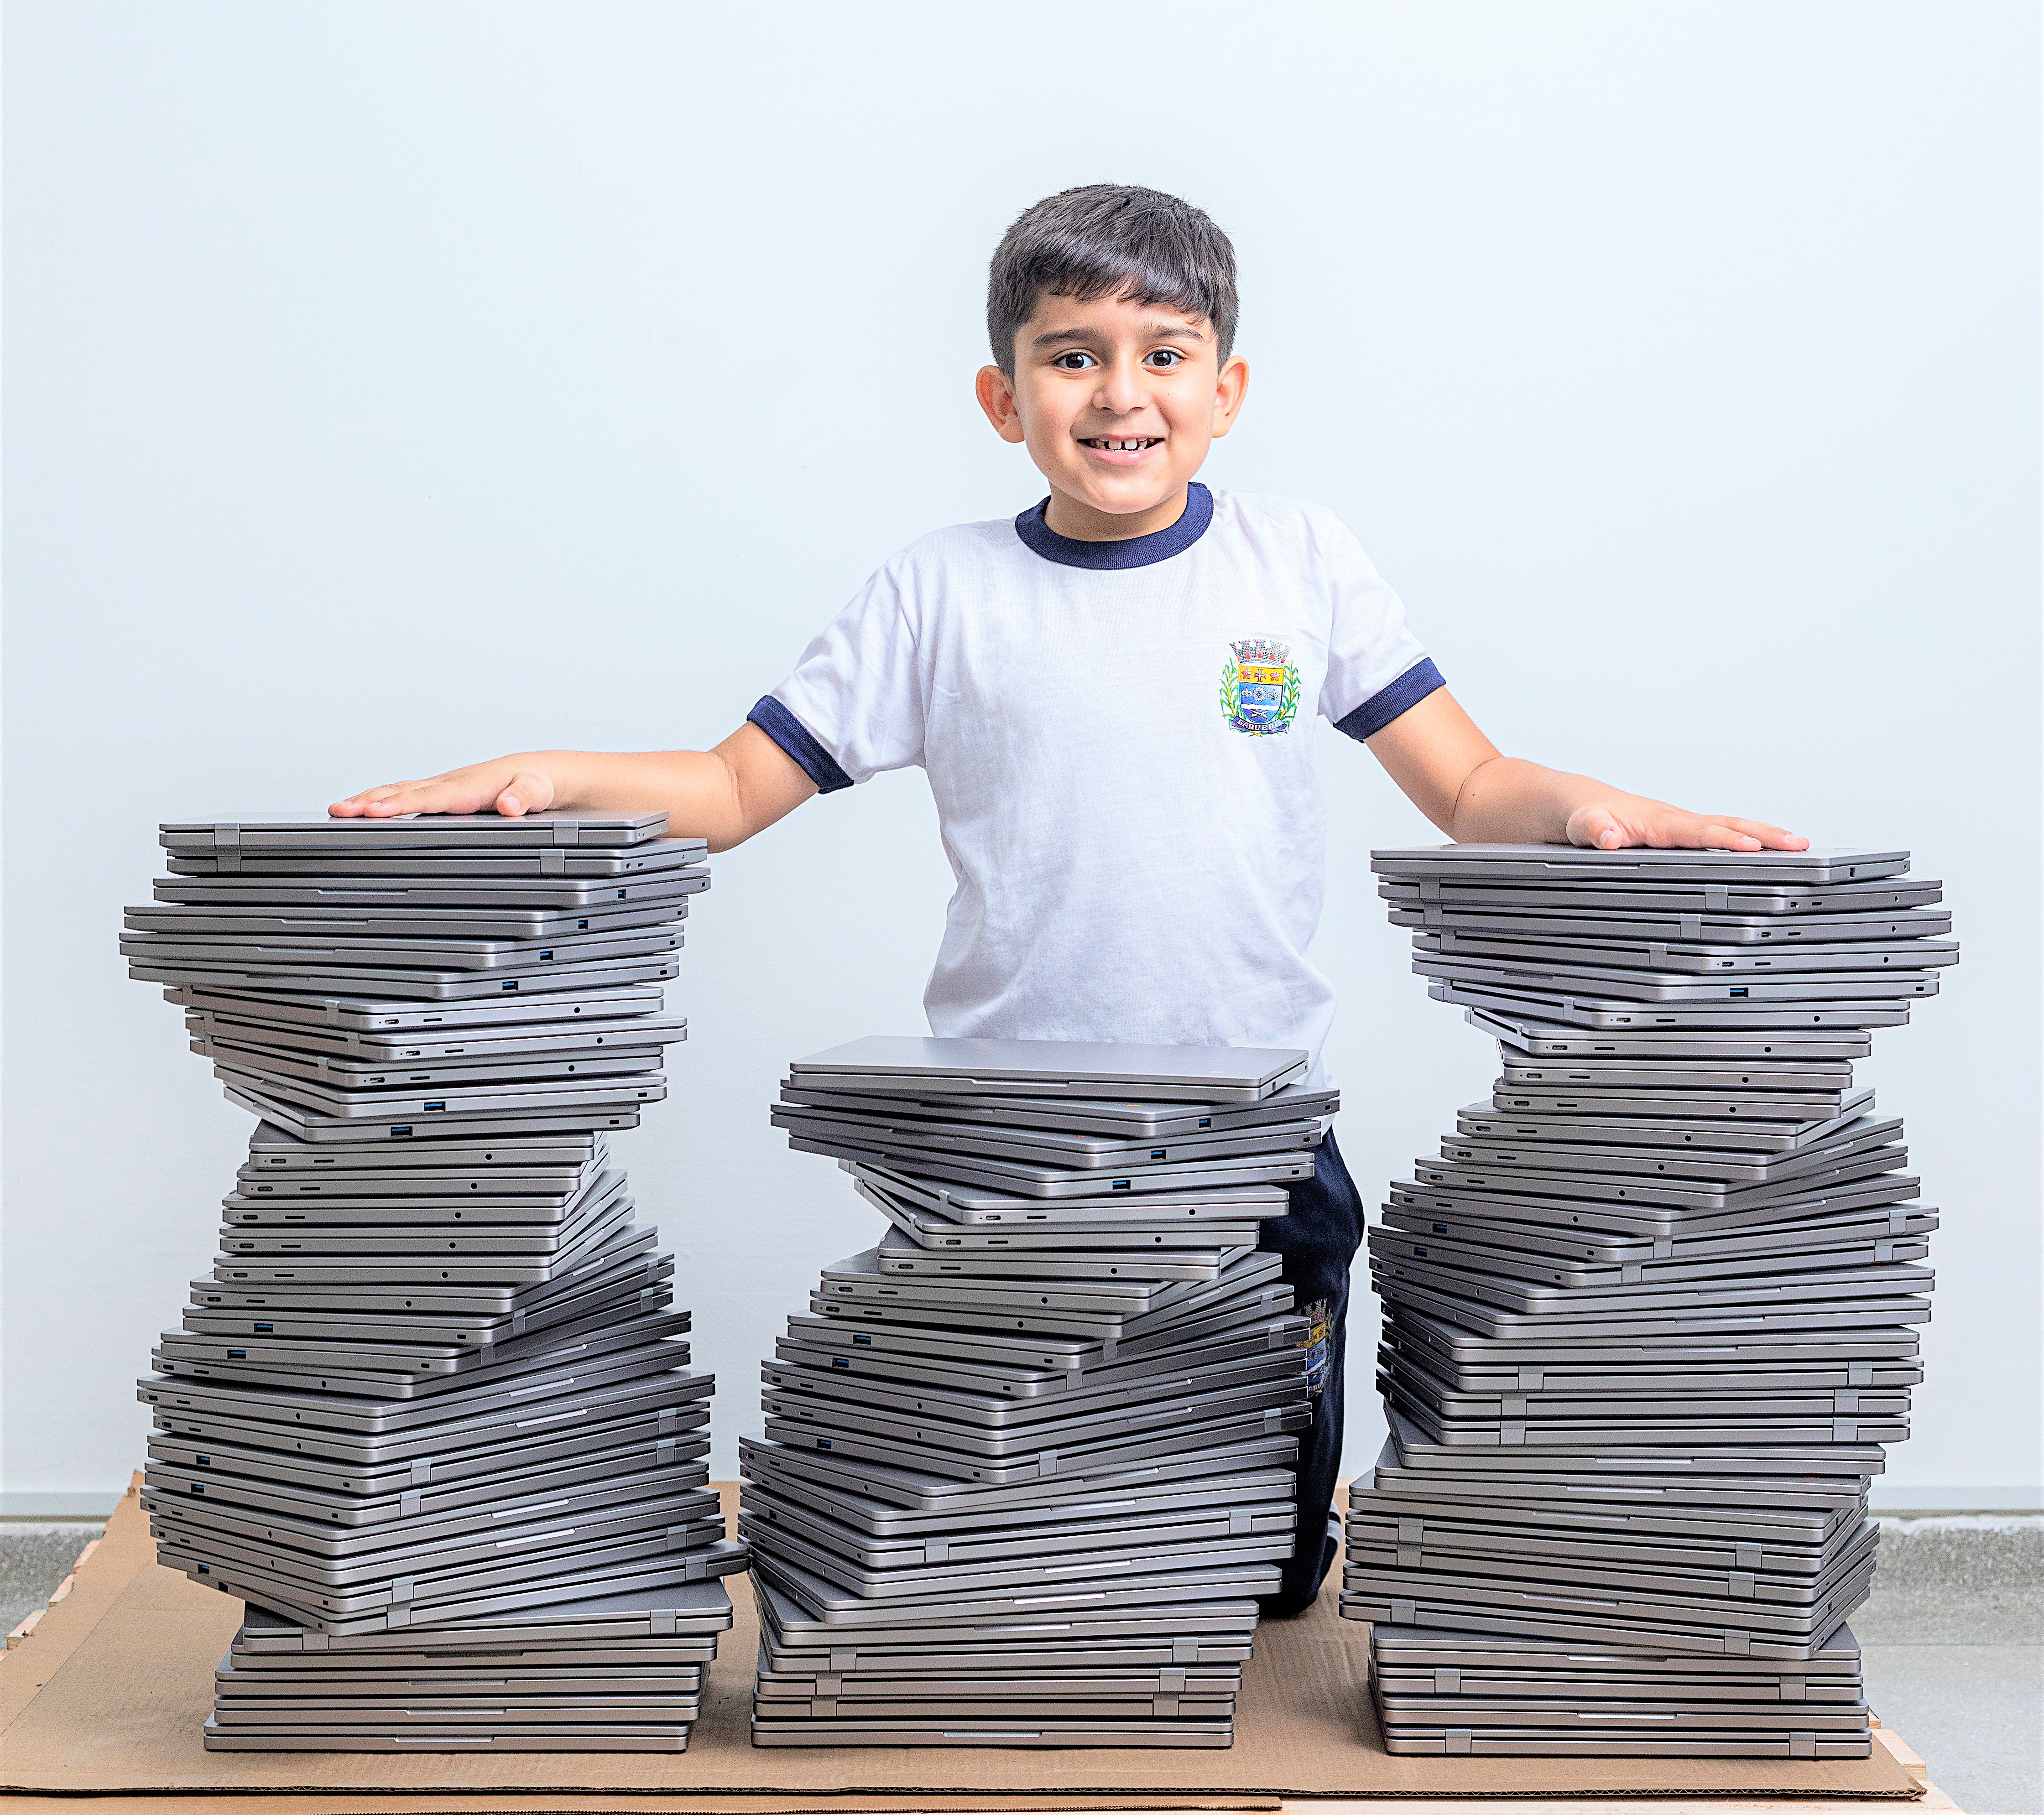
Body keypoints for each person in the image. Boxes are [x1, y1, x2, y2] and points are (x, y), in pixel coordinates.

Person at [332, 183, 1804, 1615]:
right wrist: (544, 771)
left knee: (1271, 1579)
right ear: (1002, 396)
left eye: (1163, 356)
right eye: (1073, 356)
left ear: (1226, 390)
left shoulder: (1300, 563)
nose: (1121, 394)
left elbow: (1474, 785)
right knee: (1035, 1533)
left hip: (1257, 1130)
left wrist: (1599, 811)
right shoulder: (940, 594)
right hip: (1011, 1139)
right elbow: (729, 788)